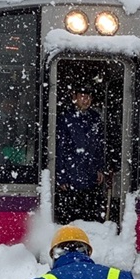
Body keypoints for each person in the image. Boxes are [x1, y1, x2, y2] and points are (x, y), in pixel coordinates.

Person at [55, 85, 106, 224]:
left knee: (89, 215)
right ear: (74, 97)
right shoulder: (65, 118)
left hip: (90, 174)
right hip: (71, 174)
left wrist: (100, 167)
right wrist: (61, 176)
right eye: (83, 96)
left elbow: (99, 146)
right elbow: (59, 148)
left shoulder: (95, 118)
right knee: (70, 217)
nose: (86, 100)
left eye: (89, 97)